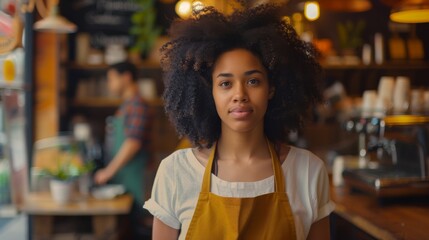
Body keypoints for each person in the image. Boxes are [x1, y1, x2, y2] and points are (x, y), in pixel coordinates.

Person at [144, 4, 335, 240]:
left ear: (272, 88)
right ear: (209, 93)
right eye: (225, 83)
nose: (240, 94)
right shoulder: (175, 172)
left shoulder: (308, 172)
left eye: (253, 81)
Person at [94, 61, 153, 238]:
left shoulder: (137, 106)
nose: (109, 84)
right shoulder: (126, 107)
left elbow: (133, 143)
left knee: (137, 230)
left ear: (126, 77)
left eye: (111, 79)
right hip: (125, 179)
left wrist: (108, 172)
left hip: (137, 179)